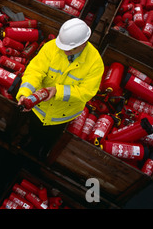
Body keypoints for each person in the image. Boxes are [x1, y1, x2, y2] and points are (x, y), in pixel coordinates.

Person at [16, 18, 104, 158]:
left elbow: (86, 92)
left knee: (49, 137)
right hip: (39, 107)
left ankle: (41, 151)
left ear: (84, 43)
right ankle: (30, 142)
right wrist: (24, 94)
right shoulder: (51, 48)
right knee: (34, 128)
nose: (65, 52)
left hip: (61, 116)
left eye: (70, 49)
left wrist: (58, 91)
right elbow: (35, 71)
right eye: (63, 48)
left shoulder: (95, 63)